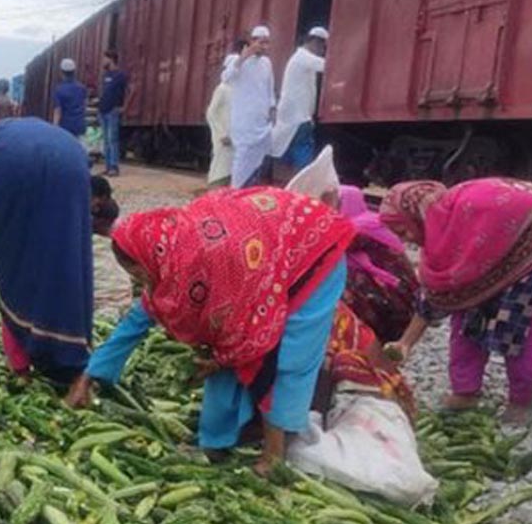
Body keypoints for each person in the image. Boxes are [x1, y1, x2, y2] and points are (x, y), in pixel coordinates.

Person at [70, 188, 354, 475]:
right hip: (259, 254)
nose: (141, 282)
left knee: (285, 358)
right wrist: (90, 374)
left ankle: (274, 454)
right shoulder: (171, 257)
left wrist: (221, 360)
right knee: (225, 353)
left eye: (139, 274)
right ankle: (219, 439)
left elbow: (245, 337)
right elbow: (136, 321)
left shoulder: (211, 258)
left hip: (310, 254)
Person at [381, 179, 532, 425]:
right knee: (466, 318)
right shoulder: (443, 228)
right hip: (488, 254)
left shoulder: (455, 222)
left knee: (520, 332)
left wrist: (406, 342)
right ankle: (465, 391)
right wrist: (405, 344)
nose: (409, 241)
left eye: (404, 231)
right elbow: (440, 293)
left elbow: (438, 294)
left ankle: (521, 399)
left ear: (417, 217)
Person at [0, 117, 96, 383]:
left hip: (14, 166)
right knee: (66, 254)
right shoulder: (19, 128)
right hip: (73, 160)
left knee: (13, 268)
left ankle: (20, 367)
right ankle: (72, 359)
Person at [338, 185, 418, 343]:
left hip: (390, 300)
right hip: (404, 296)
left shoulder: (360, 227)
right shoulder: (372, 220)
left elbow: (328, 244)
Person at [222, 25, 275, 188]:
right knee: (242, 157)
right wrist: (242, 58)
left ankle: (251, 192)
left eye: (267, 43)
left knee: (260, 156)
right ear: (252, 41)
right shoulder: (235, 59)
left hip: (261, 121)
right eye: (261, 42)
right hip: (243, 120)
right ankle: (235, 192)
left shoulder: (266, 63)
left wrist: (272, 109)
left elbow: (270, 88)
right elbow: (226, 78)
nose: (264, 47)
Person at [271, 27, 328, 171]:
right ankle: (301, 185)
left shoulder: (300, 58)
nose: (323, 51)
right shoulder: (303, 57)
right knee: (303, 154)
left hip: (294, 116)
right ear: (315, 42)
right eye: (323, 47)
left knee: (288, 150)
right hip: (298, 117)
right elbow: (327, 66)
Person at [206, 40, 246, 188]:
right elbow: (211, 113)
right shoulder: (222, 89)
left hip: (236, 137)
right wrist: (222, 134)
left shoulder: (240, 91)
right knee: (220, 168)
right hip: (223, 139)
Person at [98, 50, 129, 177]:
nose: (103, 61)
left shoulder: (121, 75)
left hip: (112, 111)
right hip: (103, 111)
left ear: (111, 59)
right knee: (106, 140)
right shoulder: (105, 75)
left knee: (112, 140)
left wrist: (125, 107)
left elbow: (131, 90)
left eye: (105, 58)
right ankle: (107, 166)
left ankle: (114, 167)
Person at [52, 58, 88, 148]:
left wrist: (54, 127)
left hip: (65, 126)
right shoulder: (82, 88)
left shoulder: (59, 90)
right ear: (74, 71)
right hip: (79, 125)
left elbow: (58, 111)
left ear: (62, 72)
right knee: (80, 150)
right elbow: (85, 105)